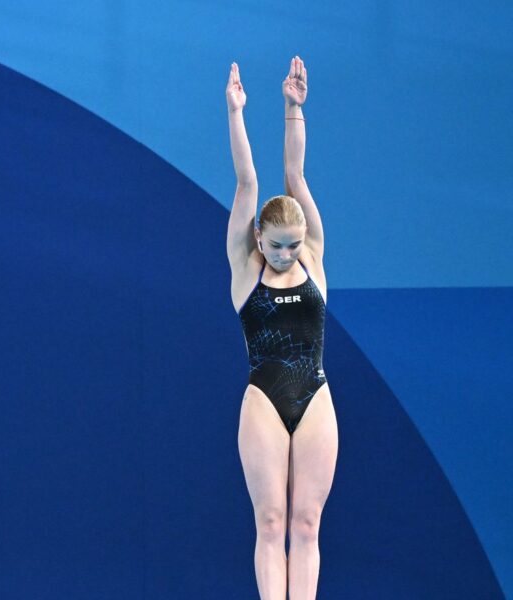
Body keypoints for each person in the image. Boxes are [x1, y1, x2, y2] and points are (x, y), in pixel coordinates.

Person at [226, 57, 337, 600]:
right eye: (277, 246)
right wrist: (237, 113)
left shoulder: (312, 257)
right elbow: (248, 182)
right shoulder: (247, 271)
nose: (288, 253)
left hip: (315, 394)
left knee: (307, 525)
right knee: (270, 523)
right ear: (259, 240)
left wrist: (294, 109)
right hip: (264, 400)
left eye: (294, 244)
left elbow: (295, 177)